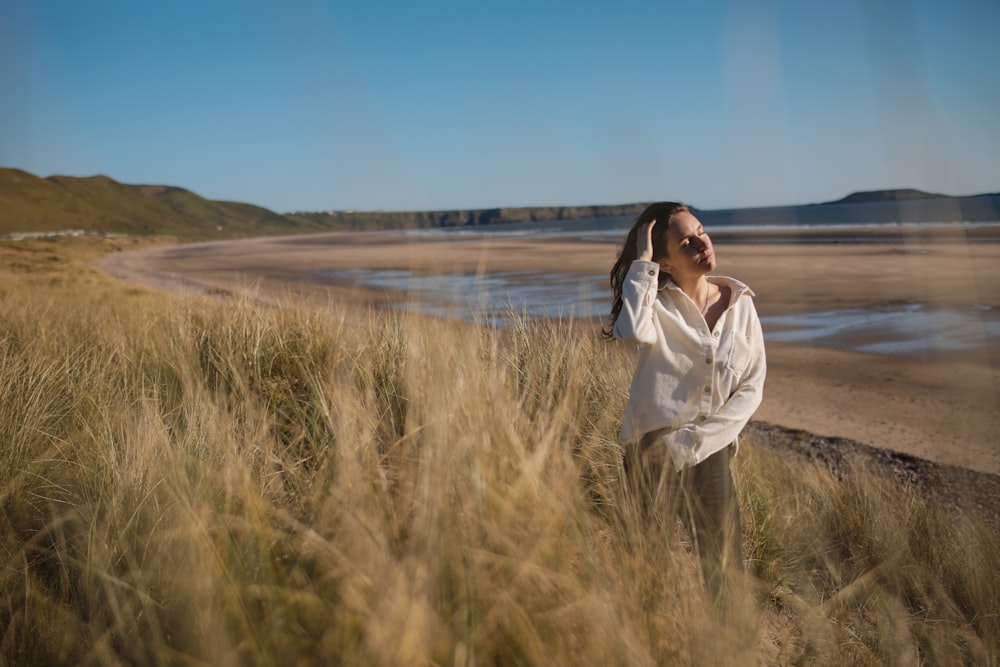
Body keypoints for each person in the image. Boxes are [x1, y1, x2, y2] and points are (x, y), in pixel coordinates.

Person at [606, 201, 766, 606]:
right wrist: (642, 263)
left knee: (726, 573)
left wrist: (694, 442)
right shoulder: (655, 306)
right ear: (667, 262)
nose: (702, 244)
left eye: (702, 232)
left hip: (709, 451)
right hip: (649, 452)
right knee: (645, 571)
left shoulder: (741, 304)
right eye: (686, 242)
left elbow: (752, 387)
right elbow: (631, 330)